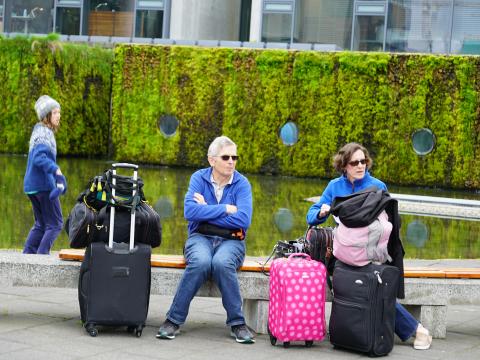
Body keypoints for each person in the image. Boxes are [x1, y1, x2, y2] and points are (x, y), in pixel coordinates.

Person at [306, 142, 433, 350]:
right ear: (344, 165)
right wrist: (321, 213)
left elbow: (390, 224)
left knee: (373, 285)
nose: (360, 166)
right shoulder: (334, 187)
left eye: (363, 161)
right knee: (345, 280)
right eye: (354, 162)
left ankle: (417, 330)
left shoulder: (377, 187)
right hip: (344, 252)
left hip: (372, 253)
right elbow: (311, 215)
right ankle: (354, 330)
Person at [156, 136, 255, 344]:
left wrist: (206, 209)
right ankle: (173, 320)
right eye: (226, 157)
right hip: (200, 237)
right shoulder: (198, 178)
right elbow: (190, 212)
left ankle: (237, 323)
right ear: (212, 160)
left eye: (234, 157)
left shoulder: (242, 183)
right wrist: (225, 209)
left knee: (221, 263)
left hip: (232, 241)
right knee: (201, 262)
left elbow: (244, 219)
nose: (231, 161)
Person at [23, 95, 67, 255]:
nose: (58, 115)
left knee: (41, 224)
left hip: (32, 186)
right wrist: (56, 170)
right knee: (55, 224)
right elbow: (38, 158)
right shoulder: (44, 134)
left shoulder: (38, 130)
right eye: (55, 112)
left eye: (59, 112)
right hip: (43, 186)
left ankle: (27, 257)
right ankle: (41, 259)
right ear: (46, 116)